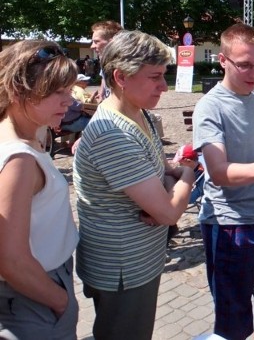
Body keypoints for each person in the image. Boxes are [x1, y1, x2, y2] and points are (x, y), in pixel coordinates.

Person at [73, 31, 195, 340]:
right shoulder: (112, 134)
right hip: (123, 270)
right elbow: (168, 213)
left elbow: (163, 172)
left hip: (138, 261)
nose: (164, 87)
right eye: (155, 77)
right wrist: (190, 173)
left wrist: (168, 185)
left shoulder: (140, 116)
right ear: (120, 77)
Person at [192, 23, 254, 340]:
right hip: (230, 226)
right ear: (222, 60)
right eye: (244, 65)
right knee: (234, 319)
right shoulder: (211, 106)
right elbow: (219, 171)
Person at [0, 41, 79, 339]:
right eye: (58, 92)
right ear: (18, 91)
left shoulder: (23, 136)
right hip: (33, 296)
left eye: (69, 91)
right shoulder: (17, 160)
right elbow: (11, 260)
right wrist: (60, 301)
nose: (69, 102)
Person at [90, 20, 123, 103]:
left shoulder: (124, 64)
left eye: (96, 41)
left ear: (112, 42)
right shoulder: (104, 60)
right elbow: (104, 77)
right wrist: (101, 93)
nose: (92, 46)